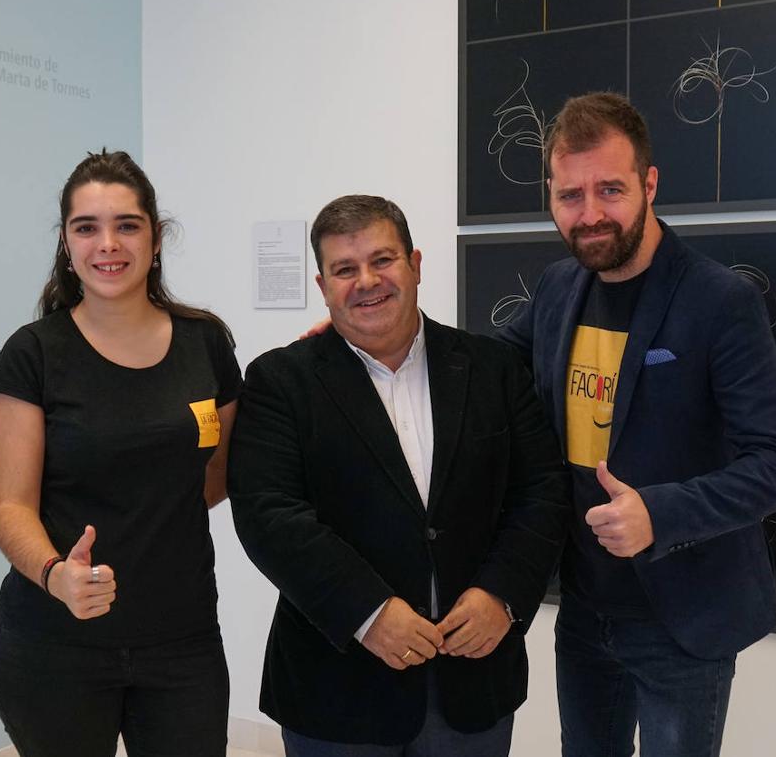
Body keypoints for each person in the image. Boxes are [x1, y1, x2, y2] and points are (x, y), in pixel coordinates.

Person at [497, 92, 776, 755]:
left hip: (682, 617)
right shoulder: (557, 288)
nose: (590, 214)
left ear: (649, 184)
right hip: (583, 609)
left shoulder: (720, 299)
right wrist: (379, 337)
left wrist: (659, 515)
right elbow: (481, 367)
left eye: (610, 189)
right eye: (570, 195)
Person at [228, 195, 570, 756]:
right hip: (337, 689)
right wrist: (367, 612)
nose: (366, 281)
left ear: (414, 264)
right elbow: (270, 516)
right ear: (323, 286)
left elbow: (542, 491)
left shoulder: (494, 369)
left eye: (382, 260)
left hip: (473, 679)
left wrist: (502, 594)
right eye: (345, 269)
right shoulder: (279, 382)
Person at [0, 150, 240, 757]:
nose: (108, 245)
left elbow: (217, 475)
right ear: (66, 243)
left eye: (127, 225)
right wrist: (56, 575)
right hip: (55, 643)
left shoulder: (205, 342)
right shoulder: (33, 354)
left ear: (156, 237)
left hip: (182, 642)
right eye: (86, 227)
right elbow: (10, 507)